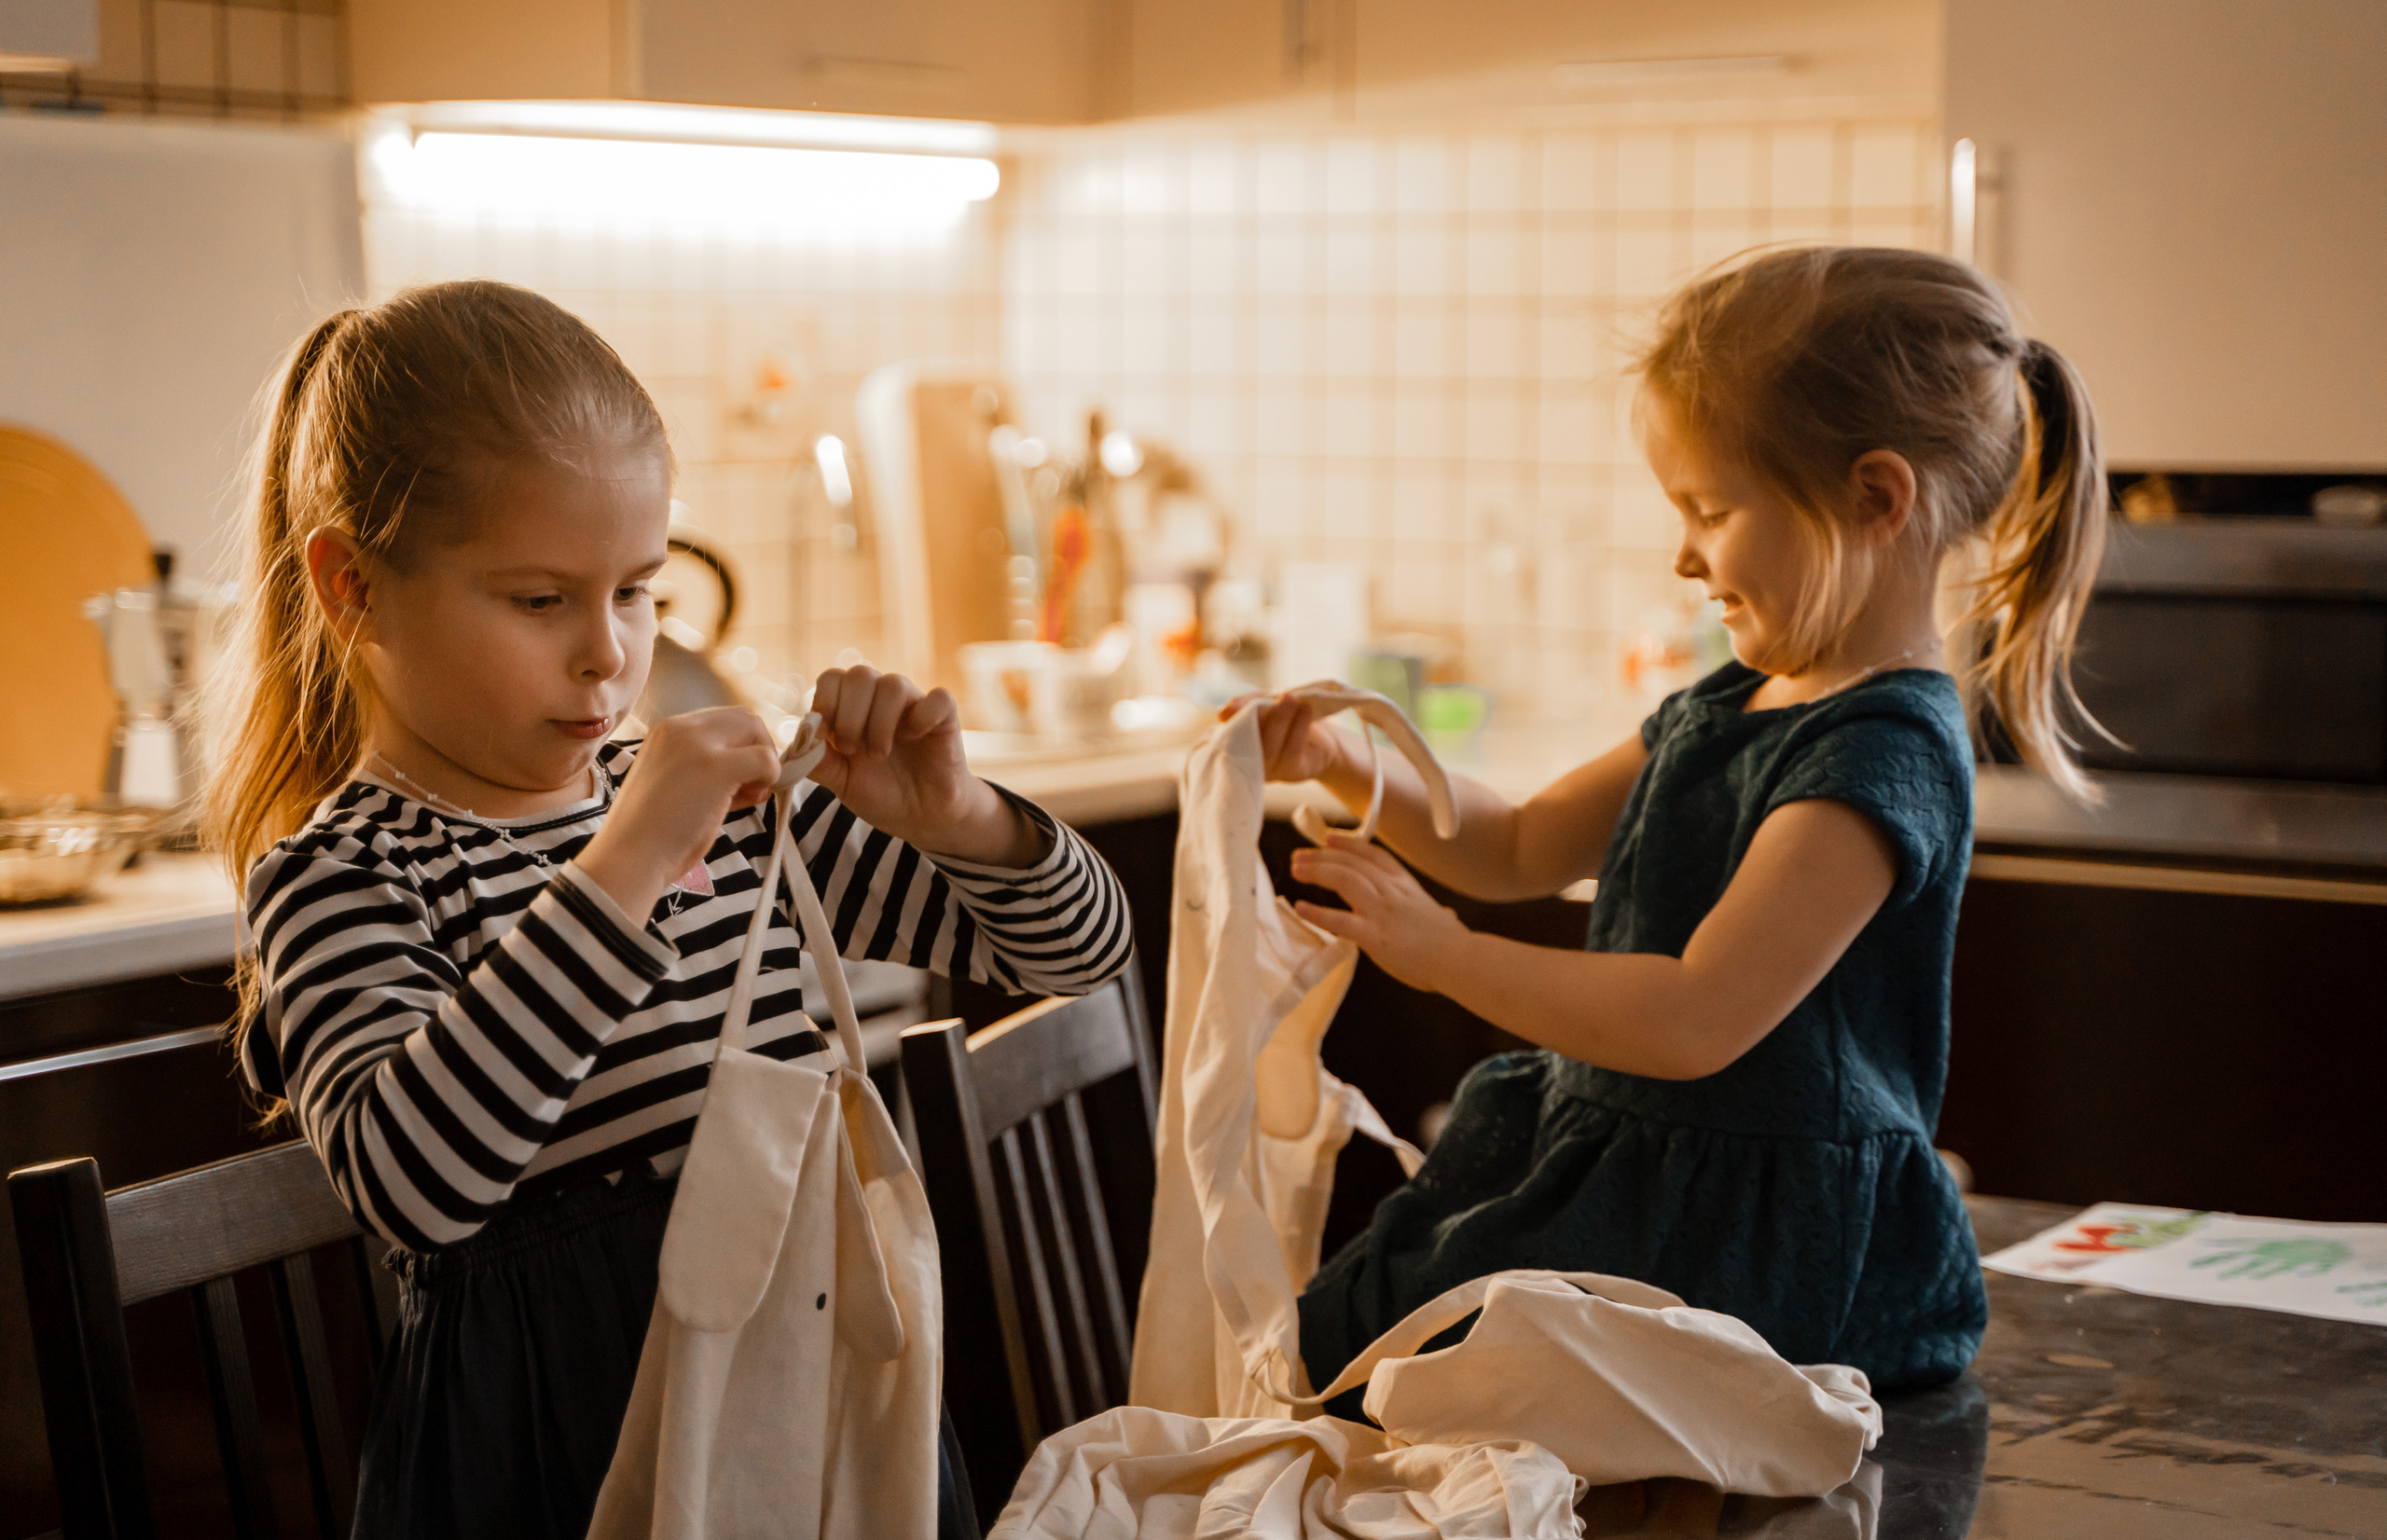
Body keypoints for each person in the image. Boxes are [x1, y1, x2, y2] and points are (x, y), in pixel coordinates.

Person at [203, 281, 1132, 1538]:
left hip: (812, 1419)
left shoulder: (736, 818)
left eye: (638, 591)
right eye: (540, 599)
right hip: (554, 1453)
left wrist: (963, 817)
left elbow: (1081, 950)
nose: (607, 653)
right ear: (352, 585)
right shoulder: (343, 873)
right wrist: (631, 852)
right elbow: (416, 1176)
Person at [1245, 246, 2106, 1395]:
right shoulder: (1733, 699)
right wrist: (1347, 764)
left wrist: (1441, 953)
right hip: (1626, 1177)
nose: (1685, 555)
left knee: (1395, 1381)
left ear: (1874, 499)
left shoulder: (1880, 751)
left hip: (1757, 1246)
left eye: (1711, 510)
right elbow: (1514, 846)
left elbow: (1698, 1018)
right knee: (1348, 1355)